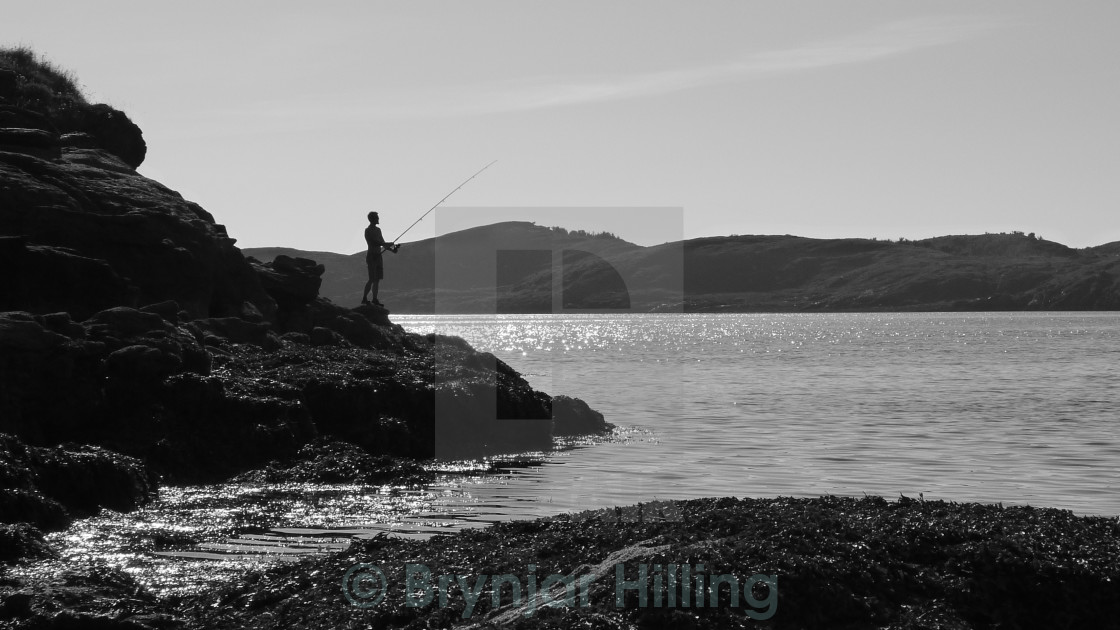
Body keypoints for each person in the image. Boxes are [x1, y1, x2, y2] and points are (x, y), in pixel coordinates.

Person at [361, 211, 399, 305]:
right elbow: (374, 242)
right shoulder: (368, 230)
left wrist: (392, 250)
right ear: (372, 219)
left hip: (378, 256)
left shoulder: (378, 230)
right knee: (372, 278)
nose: (378, 219)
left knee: (377, 279)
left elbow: (382, 242)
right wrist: (388, 244)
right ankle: (364, 298)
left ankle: (374, 299)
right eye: (376, 218)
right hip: (372, 256)